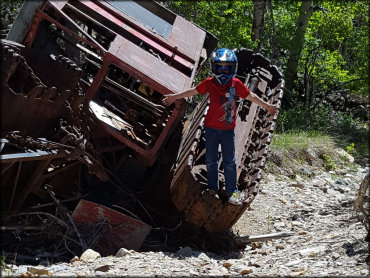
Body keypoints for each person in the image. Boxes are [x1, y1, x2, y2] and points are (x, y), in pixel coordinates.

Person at [163, 48, 277, 204]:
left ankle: (229, 189)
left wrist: (266, 106)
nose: (223, 72)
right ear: (214, 68)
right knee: (211, 158)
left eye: (227, 68)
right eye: (220, 67)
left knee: (229, 159)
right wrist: (175, 97)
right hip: (211, 128)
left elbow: (252, 96)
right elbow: (193, 91)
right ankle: (212, 186)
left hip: (227, 129)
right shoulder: (210, 83)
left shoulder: (236, 84)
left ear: (233, 68)